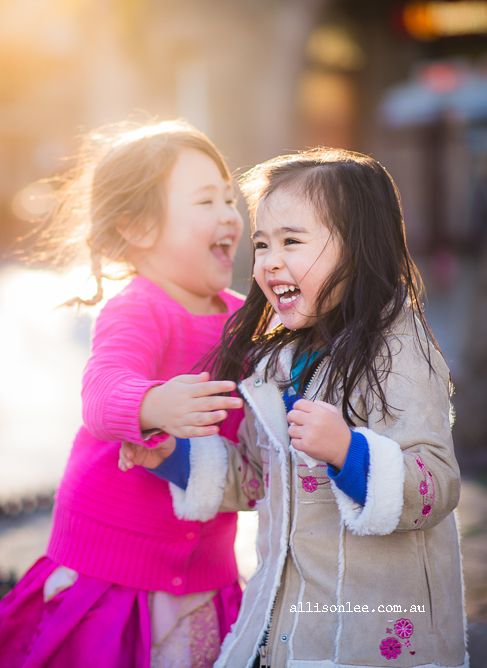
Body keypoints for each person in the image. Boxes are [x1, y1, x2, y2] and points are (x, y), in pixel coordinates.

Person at [121, 148, 467, 668]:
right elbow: (261, 479)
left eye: (291, 241)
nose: (268, 261)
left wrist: (348, 451)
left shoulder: (398, 351)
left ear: (358, 249)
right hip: (291, 626)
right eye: (261, 244)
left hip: (373, 638)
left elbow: (436, 485)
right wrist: (177, 457)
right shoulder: (276, 364)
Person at [0, 119, 246, 668]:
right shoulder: (140, 307)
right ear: (137, 226)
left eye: (229, 198)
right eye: (206, 200)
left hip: (206, 570)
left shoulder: (243, 319)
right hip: (111, 572)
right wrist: (152, 404)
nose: (229, 213)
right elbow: (104, 387)